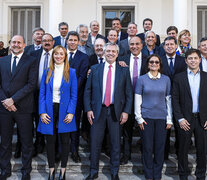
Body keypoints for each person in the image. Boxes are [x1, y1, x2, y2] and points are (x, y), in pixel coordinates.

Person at [84, 43, 133, 180]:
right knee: (95, 143)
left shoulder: (123, 70)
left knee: (115, 143)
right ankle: (93, 171)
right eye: (108, 51)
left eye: (113, 51)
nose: (110, 53)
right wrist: (88, 109)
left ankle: (114, 172)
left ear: (117, 54)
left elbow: (128, 93)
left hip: (115, 111)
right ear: (104, 53)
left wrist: (126, 111)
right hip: (97, 111)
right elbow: (87, 92)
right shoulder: (94, 69)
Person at [0, 35, 38, 180]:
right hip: (4, 108)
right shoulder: (2, 61)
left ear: (24, 45)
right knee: (5, 142)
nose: (16, 45)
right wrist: (6, 101)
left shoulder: (31, 61)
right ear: (10, 44)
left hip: (24, 108)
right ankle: (5, 170)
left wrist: (13, 100)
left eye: (19, 42)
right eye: (13, 42)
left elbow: (31, 84)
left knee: (27, 142)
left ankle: (25, 171)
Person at [37, 45, 77, 180]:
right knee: (50, 141)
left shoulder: (71, 72)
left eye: (61, 54)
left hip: (65, 110)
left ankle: (63, 171)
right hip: (49, 110)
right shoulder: (47, 72)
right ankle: (51, 170)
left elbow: (74, 95)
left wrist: (71, 112)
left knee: (65, 141)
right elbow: (41, 94)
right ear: (52, 56)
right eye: (56, 54)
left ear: (65, 56)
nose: (58, 56)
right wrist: (42, 112)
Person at [135, 54, 172, 180]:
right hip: (146, 118)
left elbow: (168, 100)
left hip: (161, 118)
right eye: (151, 62)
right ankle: (148, 174)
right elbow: (137, 99)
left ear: (160, 64)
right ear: (148, 64)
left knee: (160, 148)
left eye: (157, 62)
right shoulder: (141, 79)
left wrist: (169, 119)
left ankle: (157, 174)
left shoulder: (166, 79)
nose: (154, 64)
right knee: (147, 147)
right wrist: (139, 117)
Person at [172, 48, 207, 180]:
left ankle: (201, 175)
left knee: (202, 150)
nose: (193, 61)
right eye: (190, 58)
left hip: (202, 119)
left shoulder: (206, 76)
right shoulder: (178, 78)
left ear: (199, 60)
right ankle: (183, 175)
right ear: (186, 61)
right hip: (185, 119)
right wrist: (180, 118)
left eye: (195, 58)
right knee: (183, 149)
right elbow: (174, 100)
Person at [118, 36, 147, 165]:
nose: (134, 46)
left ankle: (144, 155)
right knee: (127, 130)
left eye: (137, 44)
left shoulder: (148, 60)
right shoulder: (122, 60)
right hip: (127, 99)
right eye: (132, 44)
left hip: (145, 100)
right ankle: (126, 154)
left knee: (144, 129)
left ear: (142, 45)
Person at [161, 36, 186, 159]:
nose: (169, 46)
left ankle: (178, 152)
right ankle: (164, 153)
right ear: (164, 46)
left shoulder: (183, 60)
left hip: (180, 99)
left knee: (179, 127)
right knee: (165, 127)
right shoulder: (159, 60)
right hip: (162, 98)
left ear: (176, 46)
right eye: (167, 44)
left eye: (172, 44)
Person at [30, 33, 55, 157]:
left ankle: (52, 146)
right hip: (36, 92)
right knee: (37, 118)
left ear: (53, 42)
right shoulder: (33, 55)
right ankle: (38, 144)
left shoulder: (58, 55)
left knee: (51, 119)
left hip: (52, 94)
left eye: (49, 40)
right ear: (41, 42)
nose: (47, 42)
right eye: (44, 40)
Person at [66, 31, 89, 163]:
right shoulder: (60, 54)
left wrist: (71, 90)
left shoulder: (84, 57)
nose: (73, 42)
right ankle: (61, 150)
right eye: (71, 40)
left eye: (75, 40)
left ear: (78, 42)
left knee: (74, 124)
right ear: (67, 41)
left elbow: (82, 76)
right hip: (60, 97)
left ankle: (74, 150)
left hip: (76, 96)